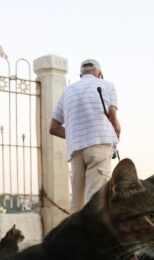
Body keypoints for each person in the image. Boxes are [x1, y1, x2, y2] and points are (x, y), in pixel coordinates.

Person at [49, 59, 121, 212]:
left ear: (80, 74)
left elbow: (54, 128)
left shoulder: (68, 91)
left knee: (77, 202)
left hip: (76, 150)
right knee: (95, 199)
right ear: (99, 73)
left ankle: (75, 235)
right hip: (100, 145)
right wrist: (117, 138)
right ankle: (93, 236)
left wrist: (76, 134)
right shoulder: (107, 85)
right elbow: (113, 121)